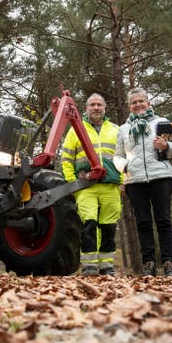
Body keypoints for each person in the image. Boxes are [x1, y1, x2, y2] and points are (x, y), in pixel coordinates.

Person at [114, 87, 172, 277]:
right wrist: (124, 167)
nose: (138, 105)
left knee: (163, 220)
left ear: (148, 103)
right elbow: (117, 156)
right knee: (143, 222)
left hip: (161, 176)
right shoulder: (124, 129)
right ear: (129, 106)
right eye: (133, 103)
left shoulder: (162, 123)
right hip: (134, 180)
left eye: (141, 101)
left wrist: (166, 145)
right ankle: (149, 264)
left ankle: (169, 263)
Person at [61, 93, 122, 276]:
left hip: (111, 185)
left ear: (104, 108)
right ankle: (89, 266)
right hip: (85, 186)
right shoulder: (76, 129)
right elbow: (66, 158)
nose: (96, 108)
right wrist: (73, 182)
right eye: (92, 105)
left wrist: (123, 181)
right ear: (86, 108)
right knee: (89, 225)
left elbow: (124, 158)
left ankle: (107, 266)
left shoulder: (115, 130)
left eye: (99, 105)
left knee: (109, 227)